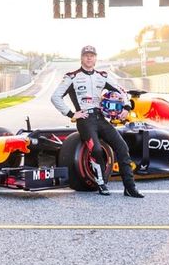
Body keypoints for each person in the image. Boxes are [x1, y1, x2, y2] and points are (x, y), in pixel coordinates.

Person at [50, 45, 144, 198]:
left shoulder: (102, 76)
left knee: (122, 147)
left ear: (95, 58)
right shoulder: (72, 76)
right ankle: (101, 183)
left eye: (92, 55)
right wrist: (71, 114)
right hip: (85, 120)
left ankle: (130, 188)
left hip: (101, 118)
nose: (89, 58)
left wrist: (126, 107)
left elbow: (122, 91)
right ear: (81, 58)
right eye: (86, 55)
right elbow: (55, 97)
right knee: (97, 150)